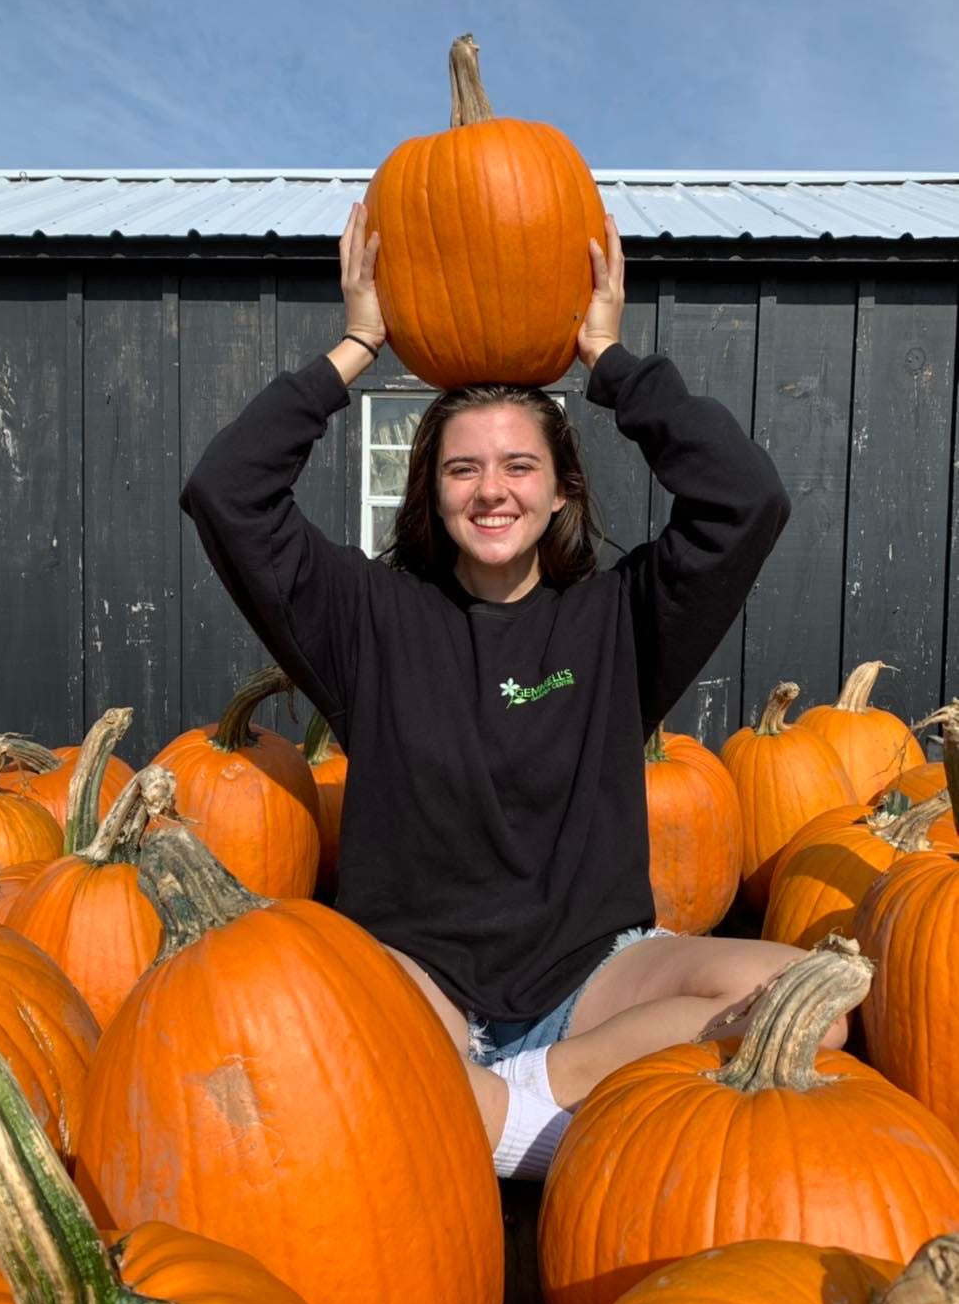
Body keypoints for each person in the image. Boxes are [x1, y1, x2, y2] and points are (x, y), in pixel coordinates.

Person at [180, 202, 846, 1180]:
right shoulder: (367, 618)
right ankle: (552, 1113)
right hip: (421, 982)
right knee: (304, 1052)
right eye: (462, 468)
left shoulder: (622, 620)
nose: (492, 490)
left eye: (519, 464)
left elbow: (746, 499)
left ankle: (502, 1110)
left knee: (813, 1000)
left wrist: (609, 362)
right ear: (431, 494)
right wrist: (359, 344)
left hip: (595, 978)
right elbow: (227, 492)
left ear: (563, 490)